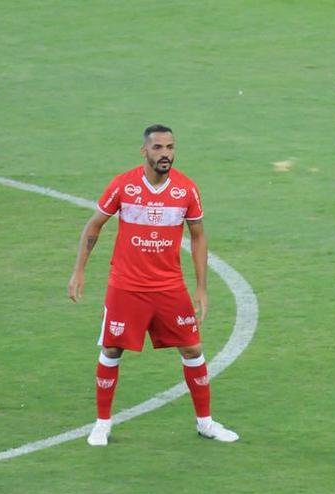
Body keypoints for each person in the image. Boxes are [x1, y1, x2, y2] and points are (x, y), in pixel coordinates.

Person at [67, 124, 238, 446]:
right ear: (144, 151)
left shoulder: (186, 189)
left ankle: (205, 422)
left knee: (193, 348)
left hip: (168, 287)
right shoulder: (124, 185)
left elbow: (198, 236)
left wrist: (201, 287)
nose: (165, 154)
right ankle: (102, 423)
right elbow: (94, 226)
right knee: (112, 348)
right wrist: (79, 271)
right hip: (126, 285)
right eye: (158, 148)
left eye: (170, 147)